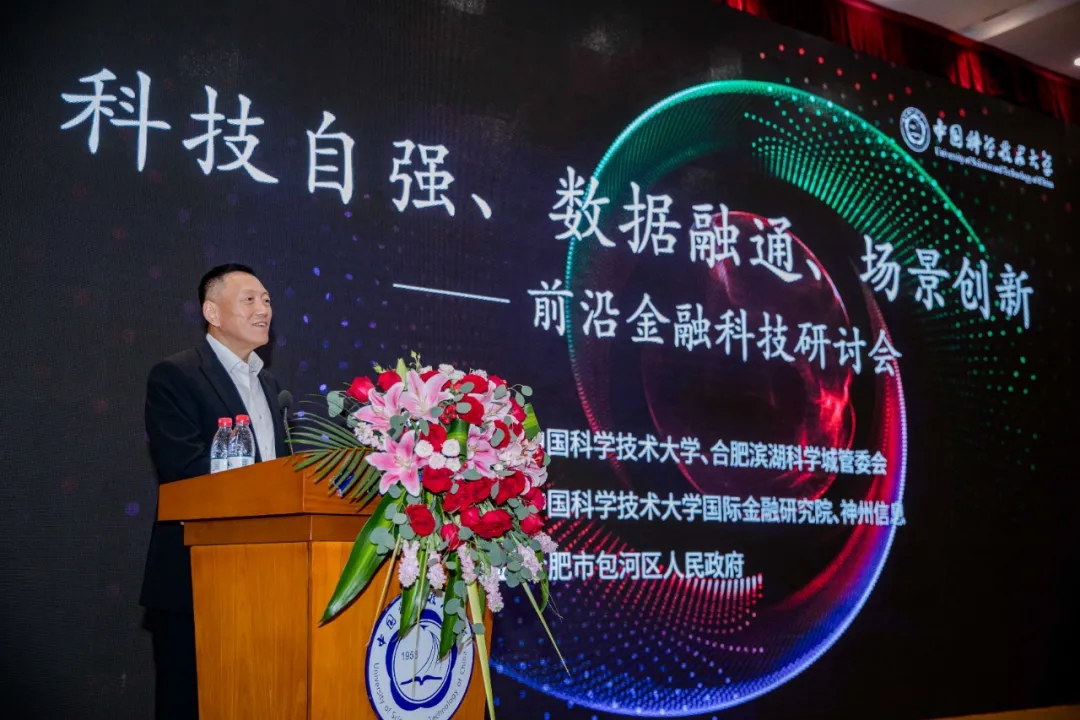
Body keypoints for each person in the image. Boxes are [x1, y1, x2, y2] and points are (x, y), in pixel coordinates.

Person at [141, 264, 290, 720]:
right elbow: (183, 471)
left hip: (265, 577)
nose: (263, 309)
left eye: (267, 300)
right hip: (196, 576)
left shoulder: (269, 385)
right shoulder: (176, 374)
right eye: (249, 299)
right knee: (191, 704)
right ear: (212, 312)